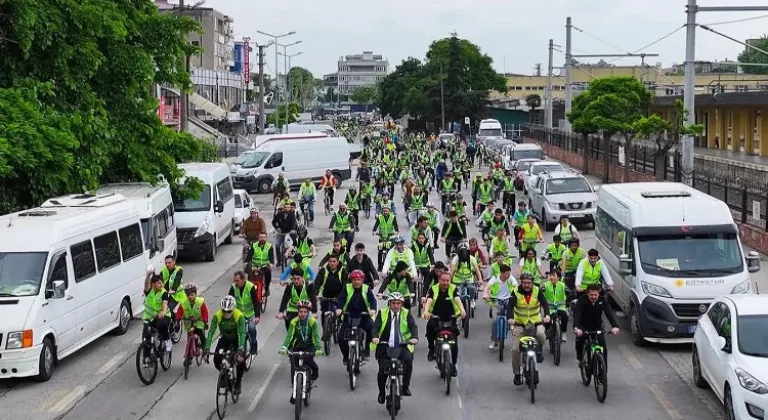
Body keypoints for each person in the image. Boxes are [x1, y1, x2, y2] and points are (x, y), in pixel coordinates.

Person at [371, 293, 419, 403]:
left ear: (401, 304)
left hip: (402, 345)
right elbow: (375, 327)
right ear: (389, 303)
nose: (396, 306)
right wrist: (375, 337)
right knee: (382, 371)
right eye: (393, 303)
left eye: (398, 303)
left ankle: (405, 387)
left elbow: (413, 327)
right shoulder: (382, 313)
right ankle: (382, 393)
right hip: (385, 345)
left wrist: (414, 337)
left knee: (408, 362)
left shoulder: (406, 313)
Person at [506, 273, 550, 386]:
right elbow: (510, 307)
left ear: (532, 283)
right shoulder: (515, 292)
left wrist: (547, 315)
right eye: (525, 283)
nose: (527, 285)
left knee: (541, 335)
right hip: (519, 324)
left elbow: (544, 303)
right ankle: (516, 373)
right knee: (515, 349)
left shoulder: (537, 290)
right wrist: (510, 318)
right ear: (521, 282)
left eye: (529, 283)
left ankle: (539, 352)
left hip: (535, 322)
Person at [278, 299, 323, 403]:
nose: (302, 314)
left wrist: (318, 348)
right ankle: (295, 391)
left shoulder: (312, 322)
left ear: (308, 312)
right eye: (300, 312)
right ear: (298, 312)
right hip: (298, 346)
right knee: (294, 365)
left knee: (309, 362)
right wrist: (284, 347)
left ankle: (314, 373)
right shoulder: (294, 322)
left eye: (305, 312)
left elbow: (316, 337)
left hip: (309, 346)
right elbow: (289, 336)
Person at [204, 296, 247, 394]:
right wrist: (207, 348)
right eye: (224, 311)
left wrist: (241, 348)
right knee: (216, 359)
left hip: (237, 339)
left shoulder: (239, 316)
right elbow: (211, 332)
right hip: (224, 338)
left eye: (229, 311)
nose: (226, 314)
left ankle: (238, 383)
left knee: (240, 361)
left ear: (233, 309)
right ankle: (224, 374)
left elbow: (242, 333)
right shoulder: (217, 315)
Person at [336, 270, 377, 364]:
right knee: (341, 337)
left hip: (364, 316)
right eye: (354, 279)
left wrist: (373, 310)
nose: (356, 282)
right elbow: (341, 300)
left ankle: (366, 349)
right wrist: (339, 309)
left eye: (359, 279)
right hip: (349, 315)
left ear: (362, 280)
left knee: (372, 329)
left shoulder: (367, 289)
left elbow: (372, 301)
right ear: (351, 280)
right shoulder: (347, 288)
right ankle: (346, 356)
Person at [573, 284, 620, 367]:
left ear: (598, 293)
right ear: (587, 293)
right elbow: (577, 315)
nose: (594, 297)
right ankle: (580, 358)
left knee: (603, 348)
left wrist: (614, 326)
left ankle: (603, 371)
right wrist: (576, 328)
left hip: (597, 326)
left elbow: (609, 314)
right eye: (591, 295)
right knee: (580, 340)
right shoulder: (581, 301)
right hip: (583, 326)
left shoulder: (602, 300)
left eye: (596, 295)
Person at [482, 264, 518, 349]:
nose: (508, 275)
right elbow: (487, 286)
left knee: (513, 314)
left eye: (509, 273)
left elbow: (516, 287)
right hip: (497, 300)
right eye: (507, 273)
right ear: (502, 273)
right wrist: (485, 293)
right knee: (495, 321)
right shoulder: (495, 278)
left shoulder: (511, 278)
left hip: (508, 299)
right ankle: (494, 340)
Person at [228, 271, 261, 355]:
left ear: (243, 280)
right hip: (238, 313)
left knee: (251, 328)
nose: (235, 283)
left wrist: (257, 316)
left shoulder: (250, 287)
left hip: (250, 313)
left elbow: (256, 302)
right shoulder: (233, 287)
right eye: (234, 281)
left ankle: (254, 343)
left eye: (237, 281)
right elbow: (229, 300)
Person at [142, 268, 172, 352]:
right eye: (159, 283)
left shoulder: (164, 293)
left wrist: (162, 312)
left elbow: (165, 304)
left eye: (162, 283)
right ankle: (147, 359)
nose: (161, 285)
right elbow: (146, 285)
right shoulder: (149, 291)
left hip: (163, 316)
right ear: (153, 284)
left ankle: (167, 341)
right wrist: (148, 275)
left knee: (162, 324)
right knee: (146, 338)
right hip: (149, 317)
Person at [176, 283, 209, 352]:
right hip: (189, 322)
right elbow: (179, 311)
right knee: (189, 337)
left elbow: (205, 312)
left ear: (196, 294)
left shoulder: (200, 302)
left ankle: (205, 348)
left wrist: (205, 320)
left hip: (198, 322)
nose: (190, 297)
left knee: (201, 335)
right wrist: (178, 318)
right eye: (188, 295)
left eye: (192, 295)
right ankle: (189, 354)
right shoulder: (184, 302)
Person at [542, 271, 569, 343]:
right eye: (550, 275)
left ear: (558, 277)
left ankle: (563, 332)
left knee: (565, 316)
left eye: (553, 275)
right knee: (546, 319)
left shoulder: (562, 285)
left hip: (560, 306)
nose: (551, 277)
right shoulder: (545, 285)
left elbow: (568, 292)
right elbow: (540, 293)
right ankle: (547, 331)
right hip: (549, 307)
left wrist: (569, 293)